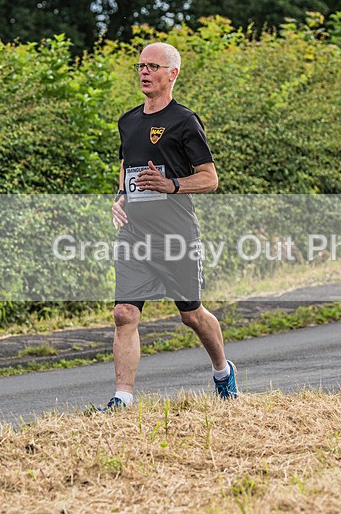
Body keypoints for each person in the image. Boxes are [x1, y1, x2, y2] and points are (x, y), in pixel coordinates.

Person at [103, 42, 238, 411]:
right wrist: (120, 197)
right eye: (140, 66)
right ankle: (123, 397)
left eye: (153, 66)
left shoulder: (185, 121)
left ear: (172, 74)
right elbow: (126, 164)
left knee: (190, 314)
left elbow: (210, 179)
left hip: (176, 236)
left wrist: (172, 185)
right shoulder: (128, 120)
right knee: (124, 313)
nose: (144, 72)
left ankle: (223, 372)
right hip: (135, 235)